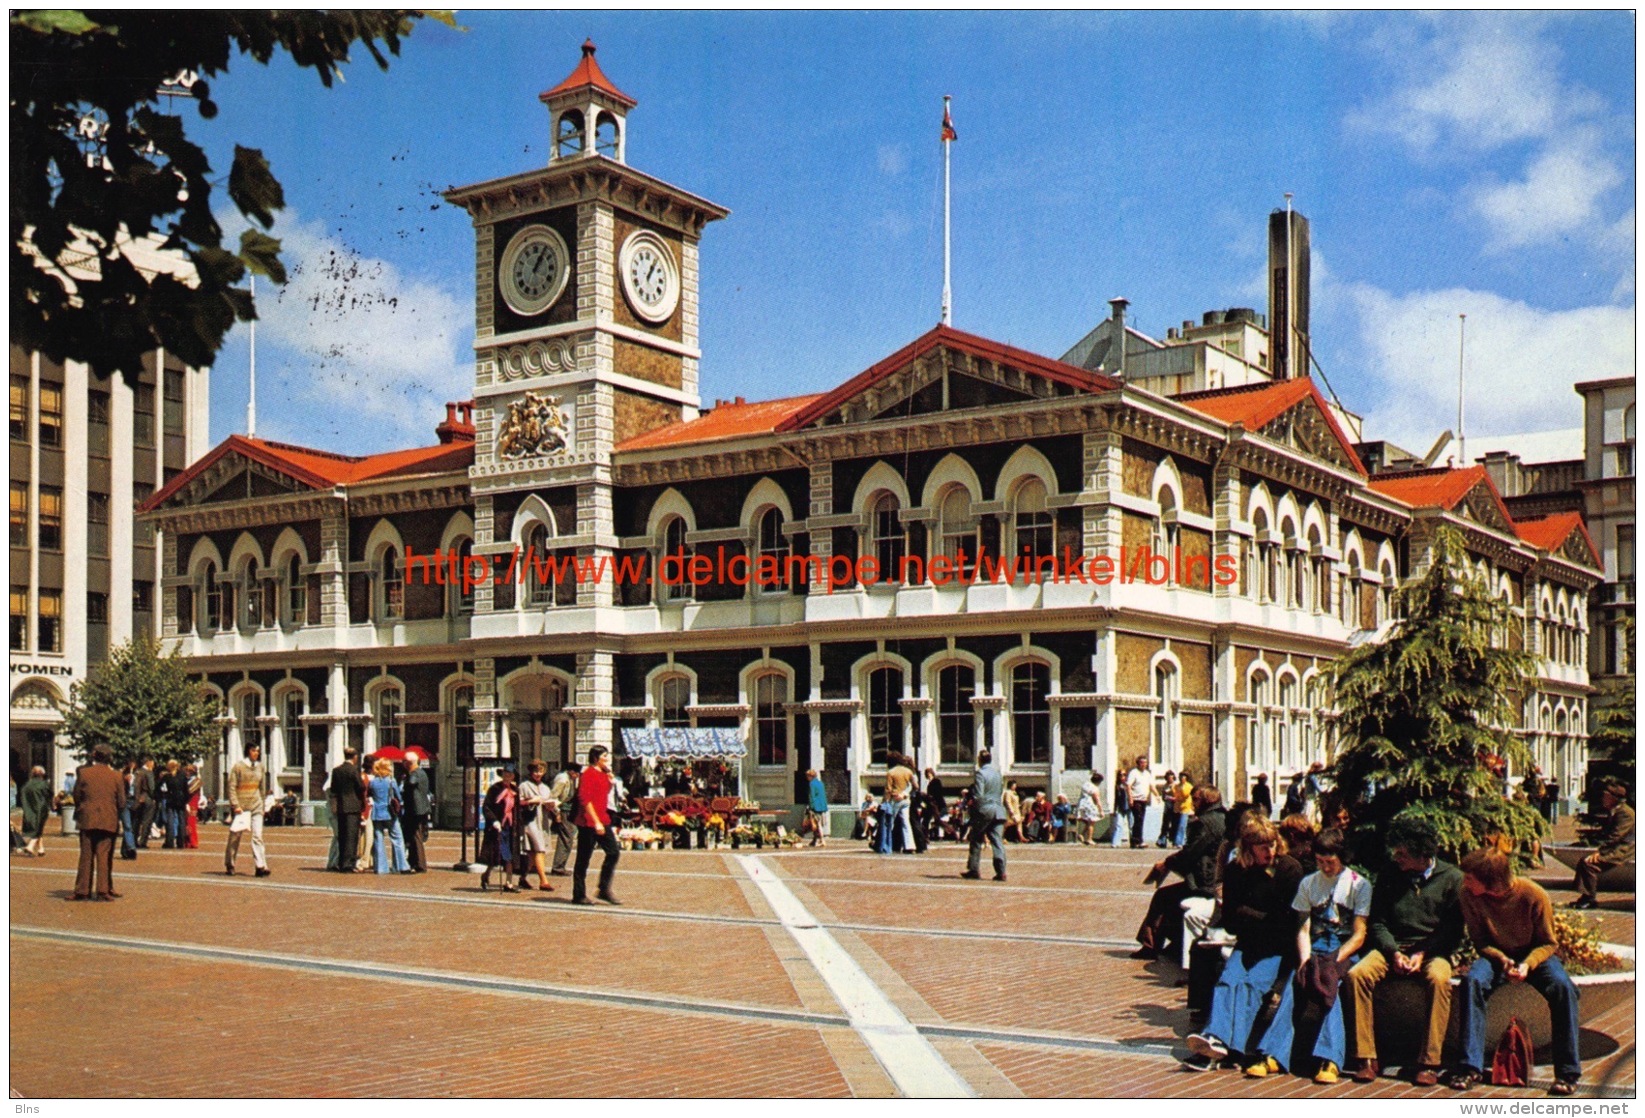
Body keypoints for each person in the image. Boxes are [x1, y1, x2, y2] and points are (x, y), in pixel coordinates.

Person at [1447, 840, 1581, 1096]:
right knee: (1473, 981)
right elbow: (1480, 941)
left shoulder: (1533, 895)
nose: (1465, 883)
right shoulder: (1469, 896)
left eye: (1470, 878)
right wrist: (1503, 961)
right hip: (1497, 956)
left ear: (1492, 881)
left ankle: (1567, 1073)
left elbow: (1548, 943)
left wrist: (1527, 964)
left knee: (1564, 988)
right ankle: (1469, 1068)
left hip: (1534, 955)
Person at [1245, 829, 1369, 1085]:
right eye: (1320, 861)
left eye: (1330, 861)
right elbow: (1302, 927)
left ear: (1341, 857)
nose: (1325, 867)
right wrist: (1304, 960)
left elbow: (1359, 935)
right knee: (1296, 981)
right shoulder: (1309, 883)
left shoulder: (1359, 884)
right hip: (1315, 945)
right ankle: (1273, 1053)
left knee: (1330, 983)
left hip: (1343, 948)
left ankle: (1331, 1057)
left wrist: (1334, 960)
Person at [1345, 818, 1463, 1086]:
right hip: (1393, 947)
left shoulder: (1452, 879)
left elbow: (1453, 930)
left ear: (1422, 854)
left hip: (1432, 951)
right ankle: (1366, 1057)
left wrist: (1422, 953)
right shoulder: (1389, 874)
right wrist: (1393, 952)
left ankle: (1430, 1062)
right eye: (1395, 852)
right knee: (1357, 975)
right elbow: (1377, 922)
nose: (1396, 857)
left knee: (1439, 979)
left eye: (1402, 853)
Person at [1185, 815, 1305, 1071]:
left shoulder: (1289, 869)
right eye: (1262, 847)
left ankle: (1231, 1048)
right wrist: (1259, 918)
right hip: (1248, 943)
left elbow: (1285, 921)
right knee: (1228, 982)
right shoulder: (1236, 870)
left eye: (1272, 844)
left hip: (1277, 948)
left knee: (1252, 985)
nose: (1269, 851)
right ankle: (1216, 1040)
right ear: (1248, 847)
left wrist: (1248, 914)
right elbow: (1230, 919)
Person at [1133, 786, 1227, 961]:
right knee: (1174, 900)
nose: (1192, 802)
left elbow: (1191, 853)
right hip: (1216, 879)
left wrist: (1167, 864)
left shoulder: (1204, 822)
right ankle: (1177, 944)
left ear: (1207, 800)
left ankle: (1150, 946)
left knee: (1163, 897)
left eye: (1196, 798)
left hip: (1206, 882)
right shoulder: (1224, 817)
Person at [71, 745, 126, 900]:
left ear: (94, 755)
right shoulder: (116, 775)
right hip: (109, 818)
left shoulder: (84, 773)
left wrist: (84, 807)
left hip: (87, 818)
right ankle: (103, 889)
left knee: (86, 855)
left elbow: (77, 796)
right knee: (104, 855)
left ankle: (82, 890)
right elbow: (122, 801)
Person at [1571, 778, 1634, 910]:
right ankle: (1585, 896)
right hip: (1618, 847)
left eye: (1605, 796)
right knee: (1584, 861)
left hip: (1625, 850)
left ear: (1613, 798)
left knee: (1589, 864)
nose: (1602, 799)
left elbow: (1616, 836)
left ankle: (1590, 899)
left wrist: (1600, 852)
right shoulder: (1617, 810)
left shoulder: (1625, 813)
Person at [572, 745, 621, 905]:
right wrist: (596, 821)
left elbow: (603, 795)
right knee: (583, 859)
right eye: (604, 756)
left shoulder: (604, 774)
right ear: (596, 758)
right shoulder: (587, 774)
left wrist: (610, 778)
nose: (607, 759)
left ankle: (603, 888)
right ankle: (578, 895)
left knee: (613, 852)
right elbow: (585, 799)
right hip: (588, 821)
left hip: (602, 818)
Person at [224, 743, 271, 877]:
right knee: (235, 837)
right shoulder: (238, 767)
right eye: (253, 750)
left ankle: (260, 866)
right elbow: (232, 787)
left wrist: (262, 804)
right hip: (241, 807)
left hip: (256, 804)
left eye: (258, 751)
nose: (256, 753)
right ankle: (230, 863)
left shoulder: (260, 766)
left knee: (258, 836)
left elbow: (262, 787)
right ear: (247, 751)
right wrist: (235, 805)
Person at [961, 748, 1007, 882]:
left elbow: (979, 794)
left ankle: (974, 868)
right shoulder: (998, 774)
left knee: (976, 839)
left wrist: (973, 804)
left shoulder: (980, 773)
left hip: (985, 809)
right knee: (997, 841)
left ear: (980, 760)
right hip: (998, 809)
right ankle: (1001, 871)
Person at [365, 758, 409, 875]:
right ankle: (400, 866)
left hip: (376, 813)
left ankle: (380, 867)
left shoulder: (373, 782)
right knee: (397, 838)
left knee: (378, 839)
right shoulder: (390, 781)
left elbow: (369, 794)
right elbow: (398, 796)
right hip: (390, 813)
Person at [517, 760, 556, 891]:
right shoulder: (524, 786)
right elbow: (517, 802)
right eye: (535, 771)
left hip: (543, 821)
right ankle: (544, 881)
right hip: (530, 821)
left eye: (540, 771)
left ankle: (522, 878)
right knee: (539, 850)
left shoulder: (545, 787)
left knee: (532, 854)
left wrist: (552, 807)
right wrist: (530, 801)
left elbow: (549, 801)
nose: (538, 774)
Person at [479, 767, 518, 891]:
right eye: (505, 774)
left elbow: (517, 809)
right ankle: (486, 875)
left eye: (510, 774)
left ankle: (509, 883)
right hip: (496, 827)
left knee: (509, 855)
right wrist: (494, 820)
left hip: (510, 827)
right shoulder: (495, 789)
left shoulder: (515, 790)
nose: (507, 776)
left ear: (513, 777)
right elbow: (486, 807)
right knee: (495, 856)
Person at [327, 747, 365, 873]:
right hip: (353, 807)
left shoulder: (336, 771)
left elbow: (333, 790)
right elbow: (361, 787)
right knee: (352, 837)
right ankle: (349, 864)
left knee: (342, 836)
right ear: (354, 757)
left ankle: (342, 862)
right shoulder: (354, 770)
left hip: (341, 806)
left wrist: (335, 805)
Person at [400, 752, 433, 873]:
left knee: (416, 836)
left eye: (404, 762)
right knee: (413, 836)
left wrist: (406, 779)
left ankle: (420, 864)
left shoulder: (415, 773)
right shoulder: (422, 772)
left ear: (409, 763)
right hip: (420, 809)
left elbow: (411, 783)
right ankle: (413, 862)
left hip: (416, 810)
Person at [878, 753, 915, 854]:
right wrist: (905, 794)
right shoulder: (908, 771)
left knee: (890, 822)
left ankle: (886, 845)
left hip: (894, 799)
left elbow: (888, 789)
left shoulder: (891, 772)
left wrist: (885, 801)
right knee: (906, 823)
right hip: (906, 800)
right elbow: (915, 786)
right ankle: (909, 846)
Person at [548, 761, 580, 875]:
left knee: (568, 838)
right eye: (576, 773)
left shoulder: (570, 779)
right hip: (562, 810)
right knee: (566, 838)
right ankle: (558, 867)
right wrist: (557, 813)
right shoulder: (562, 779)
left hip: (568, 811)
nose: (577, 776)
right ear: (571, 772)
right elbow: (553, 797)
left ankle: (560, 865)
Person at [19, 765, 51, 858]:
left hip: (29, 810)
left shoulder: (26, 785)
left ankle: (41, 849)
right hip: (41, 809)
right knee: (39, 828)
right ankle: (31, 845)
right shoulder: (43, 784)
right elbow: (49, 795)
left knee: (38, 827)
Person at [1126, 755, 1156, 848]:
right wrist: (1130, 798)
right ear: (1138, 763)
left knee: (1140, 820)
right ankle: (1139, 840)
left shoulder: (1147, 773)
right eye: (1142, 763)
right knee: (1138, 819)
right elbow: (1128, 786)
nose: (1144, 764)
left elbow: (1151, 786)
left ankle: (1135, 841)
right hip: (1136, 800)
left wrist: (1157, 795)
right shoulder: (1134, 773)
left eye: (1145, 763)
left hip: (1143, 800)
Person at [156, 760, 185, 848]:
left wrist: (161, 795)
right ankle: (181, 842)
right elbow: (186, 789)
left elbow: (159, 787)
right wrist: (185, 799)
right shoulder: (182, 776)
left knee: (170, 821)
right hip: (180, 800)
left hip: (170, 799)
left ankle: (170, 841)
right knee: (181, 821)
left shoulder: (167, 777)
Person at [132, 756, 157, 849]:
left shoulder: (137, 772)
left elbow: (135, 786)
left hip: (139, 798)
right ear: (148, 762)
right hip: (147, 798)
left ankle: (134, 840)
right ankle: (143, 841)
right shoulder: (148, 772)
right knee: (147, 821)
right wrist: (154, 797)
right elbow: (151, 787)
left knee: (136, 821)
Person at [1074, 771, 1105, 845]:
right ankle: (1089, 838)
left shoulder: (1086, 784)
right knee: (1091, 822)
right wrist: (1101, 811)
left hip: (1082, 804)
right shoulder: (1095, 788)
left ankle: (1082, 834)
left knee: (1088, 822)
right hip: (1090, 806)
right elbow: (1097, 800)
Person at [806, 769, 830, 848]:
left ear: (811, 776)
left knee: (817, 824)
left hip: (815, 806)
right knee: (816, 823)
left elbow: (812, 796)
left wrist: (810, 806)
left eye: (808, 776)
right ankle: (814, 840)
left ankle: (822, 840)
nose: (807, 778)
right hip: (821, 806)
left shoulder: (812, 784)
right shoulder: (820, 783)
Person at [1173, 772, 1196, 847]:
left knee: (1182, 825)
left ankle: (1180, 841)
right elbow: (1175, 795)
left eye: (1183, 777)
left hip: (1186, 807)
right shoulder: (1177, 786)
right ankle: (1176, 841)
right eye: (1180, 777)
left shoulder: (1188, 786)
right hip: (1178, 807)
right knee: (1176, 825)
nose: (1182, 778)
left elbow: (1186, 795)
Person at [1158, 770, 1179, 850]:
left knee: (1174, 824)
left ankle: (1174, 840)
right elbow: (1163, 797)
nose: (1170, 779)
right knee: (1165, 824)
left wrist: (1171, 798)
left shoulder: (1176, 786)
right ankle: (1162, 841)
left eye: (1171, 778)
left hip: (1175, 806)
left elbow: (1178, 797)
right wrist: (1166, 798)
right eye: (1168, 778)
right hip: (1167, 806)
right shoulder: (1165, 786)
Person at [1110, 772, 1132, 848]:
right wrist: (1115, 809)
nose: (1122, 777)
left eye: (1124, 775)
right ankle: (1115, 842)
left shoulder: (1128, 785)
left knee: (1131, 825)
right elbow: (1116, 798)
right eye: (1121, 775)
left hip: (1130, 807)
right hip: (1121, 807)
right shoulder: (1118, 786)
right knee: (1118, 825)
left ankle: (1133, 842)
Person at [184, 763, 202, 849]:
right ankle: (187, 842)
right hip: (186, 802)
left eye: (189, 771)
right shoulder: (186, 780)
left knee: (191, 822)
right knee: (186, 822)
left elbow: (190, 791)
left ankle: (193, 841)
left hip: (192, 803)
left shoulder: (197, 780)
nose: (187, 773)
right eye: (186, 771)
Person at [1002, 779, 1024, 844]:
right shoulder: (1008, 792)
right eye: (1014, 785)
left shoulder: (1014, 792)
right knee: (1009, 823)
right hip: (1011, 811)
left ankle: (1021, 837)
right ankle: (1001, 836)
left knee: (1019, 823)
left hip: (1017, 810)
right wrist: (1011, 811)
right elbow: (1008, 802)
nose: (1015, 786)